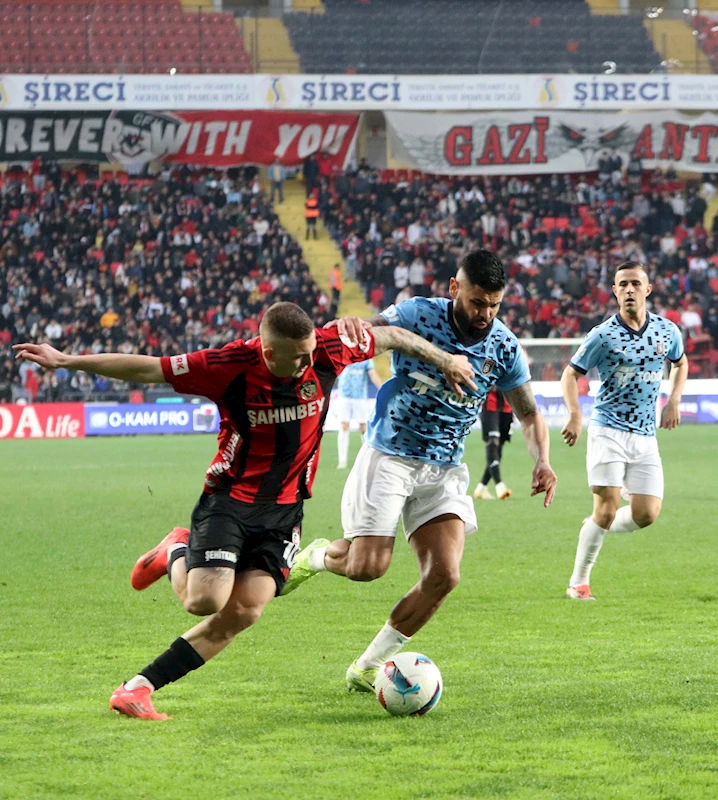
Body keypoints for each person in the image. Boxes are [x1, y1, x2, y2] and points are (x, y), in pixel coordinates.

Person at [14, 302, 475, 720]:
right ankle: (176, 548)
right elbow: (149, 369)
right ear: (268, 351)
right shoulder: (228, 365)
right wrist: (66, 360)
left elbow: (393, 337)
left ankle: (137, 688)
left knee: (246, 610)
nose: (306, 363)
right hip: (230, 502)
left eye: (310, 352)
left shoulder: (327, 350)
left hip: (284, 512)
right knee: (204, 601)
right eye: (296, 357)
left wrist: (446, 360)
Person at [281, 250, 558, 692]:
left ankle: (368, 666)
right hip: (390, 455)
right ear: (455, 288)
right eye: (476, 302)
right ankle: (314, 555)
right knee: (367, 567)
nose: (484, 313)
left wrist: (542, 459)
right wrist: (356, 325)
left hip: (444, 469)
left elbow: (527, 414)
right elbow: (371, 328)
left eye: (494, 305)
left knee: (445, 576)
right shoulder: (417, 314)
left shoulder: (503, 346)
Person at [560, 261, 688, 600]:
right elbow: (570, 375)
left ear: (648, 289)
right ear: (614, 291)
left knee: (646, 514)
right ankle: (578, 583)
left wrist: (673, 399)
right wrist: (575, 415)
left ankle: (593, 528)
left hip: (646, 435)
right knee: (607, 506)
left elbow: (680, 361)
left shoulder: (667, 331)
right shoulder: (602, 335)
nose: (629, 289)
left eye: (635, 283)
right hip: (607, 430)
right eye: (623, 285)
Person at [336, 358, 382, 470]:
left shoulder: (365, 357)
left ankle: (367, 458)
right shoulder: (343, 354)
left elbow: (372, 373)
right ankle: (342, 461)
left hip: (360, 397)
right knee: (343, 425)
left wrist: (382, 388)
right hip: (343, 395)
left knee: (363, 427)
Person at [473, 386, 514, 500]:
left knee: (499, 448)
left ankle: (481, 487)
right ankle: (499, 485)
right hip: (490, 405)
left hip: (508, 407)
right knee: (492, 443)